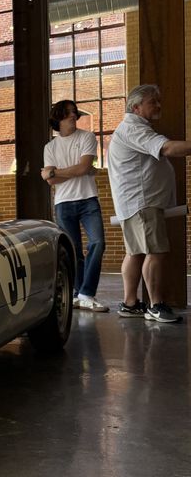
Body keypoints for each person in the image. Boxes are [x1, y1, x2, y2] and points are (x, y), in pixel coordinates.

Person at [107, 84, 191, 323]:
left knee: (135, 253)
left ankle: (130, 304)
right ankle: (156, 305)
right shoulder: (134, 129)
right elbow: (168, 148)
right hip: (142, 203)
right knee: (156, 252)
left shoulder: (131, 128)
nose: (158, 105)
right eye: (152, 101)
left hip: (136, 203)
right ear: (136, 107)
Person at [41, 99, 108, 312]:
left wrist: (53, 171)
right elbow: (52, 182)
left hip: (88, 199)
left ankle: (87, 293)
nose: (73, 115)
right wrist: (58, 174)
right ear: (58, 118)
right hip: (63, 203)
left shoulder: (87, 137)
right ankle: (78, 294)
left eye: (74, 112)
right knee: (74, 251)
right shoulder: (50, 147)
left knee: (97, 243)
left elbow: (83, 168)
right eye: (68, 112)